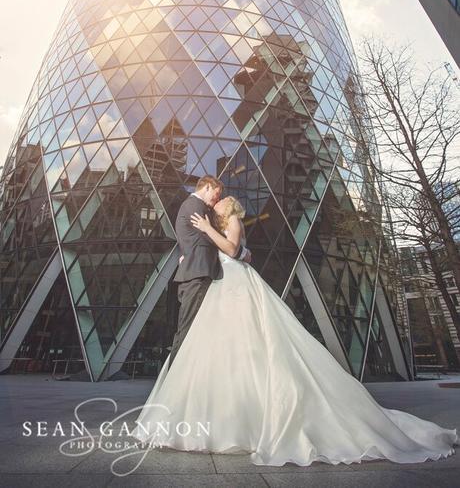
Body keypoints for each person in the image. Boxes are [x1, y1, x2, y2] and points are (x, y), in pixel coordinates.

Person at [131, 196, 458, 466]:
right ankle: (221, 419)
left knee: (254, 346)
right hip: (221, 288)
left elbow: (233, 250)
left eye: (219, 202)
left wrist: (215, 237)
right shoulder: (210, 226)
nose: (214, 204)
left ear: (229, 208)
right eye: (213, 202)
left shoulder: (231, 222)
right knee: (223, 353)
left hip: (235, 287)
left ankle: (251, 422)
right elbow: (221, 251)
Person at [168, 175, 251, 370]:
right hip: (197, 275)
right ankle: (174, 376)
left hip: (205, 275)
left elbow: (207, 240)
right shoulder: (195, 207)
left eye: (221, 197)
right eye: (216, 194)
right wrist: (241, 252)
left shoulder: (202, 209)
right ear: (207, 187)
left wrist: (240, 250)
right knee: (187, 330)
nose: (217, 199)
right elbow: (211, 240)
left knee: (197, 329)